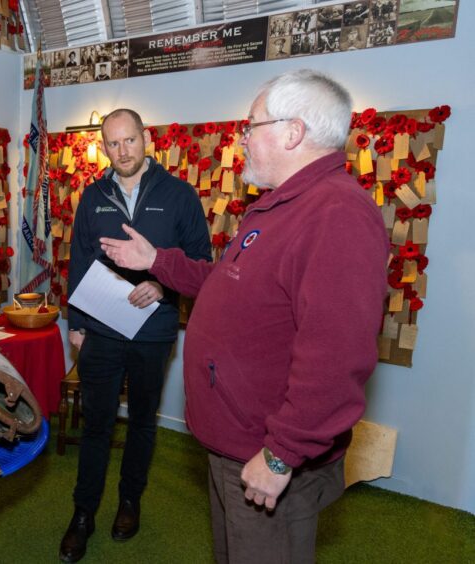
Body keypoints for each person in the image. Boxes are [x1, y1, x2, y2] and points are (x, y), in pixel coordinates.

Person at [98, 70, 389, 563]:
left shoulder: (336, 213)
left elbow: (337, 357)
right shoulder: (277, 208)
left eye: (251, 125)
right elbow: (225, 284)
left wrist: (281, 454)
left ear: (293, 132)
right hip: (239, 444)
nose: (242, 138)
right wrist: (157, 262)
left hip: (269, 454)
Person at [60, 109, 211, 562]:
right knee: (96, 425)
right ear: (103, 146)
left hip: (153, 329)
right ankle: (82, 514)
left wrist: (162, 281)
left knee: (143, 421)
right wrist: (78, 326)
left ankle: (130, 501)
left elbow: (201, 262)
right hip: (101, 330)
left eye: (130, 141)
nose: (122, 151)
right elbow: (79, 263)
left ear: (145, 139)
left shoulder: (179, 195)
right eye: (113, 143)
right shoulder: (93, 196)